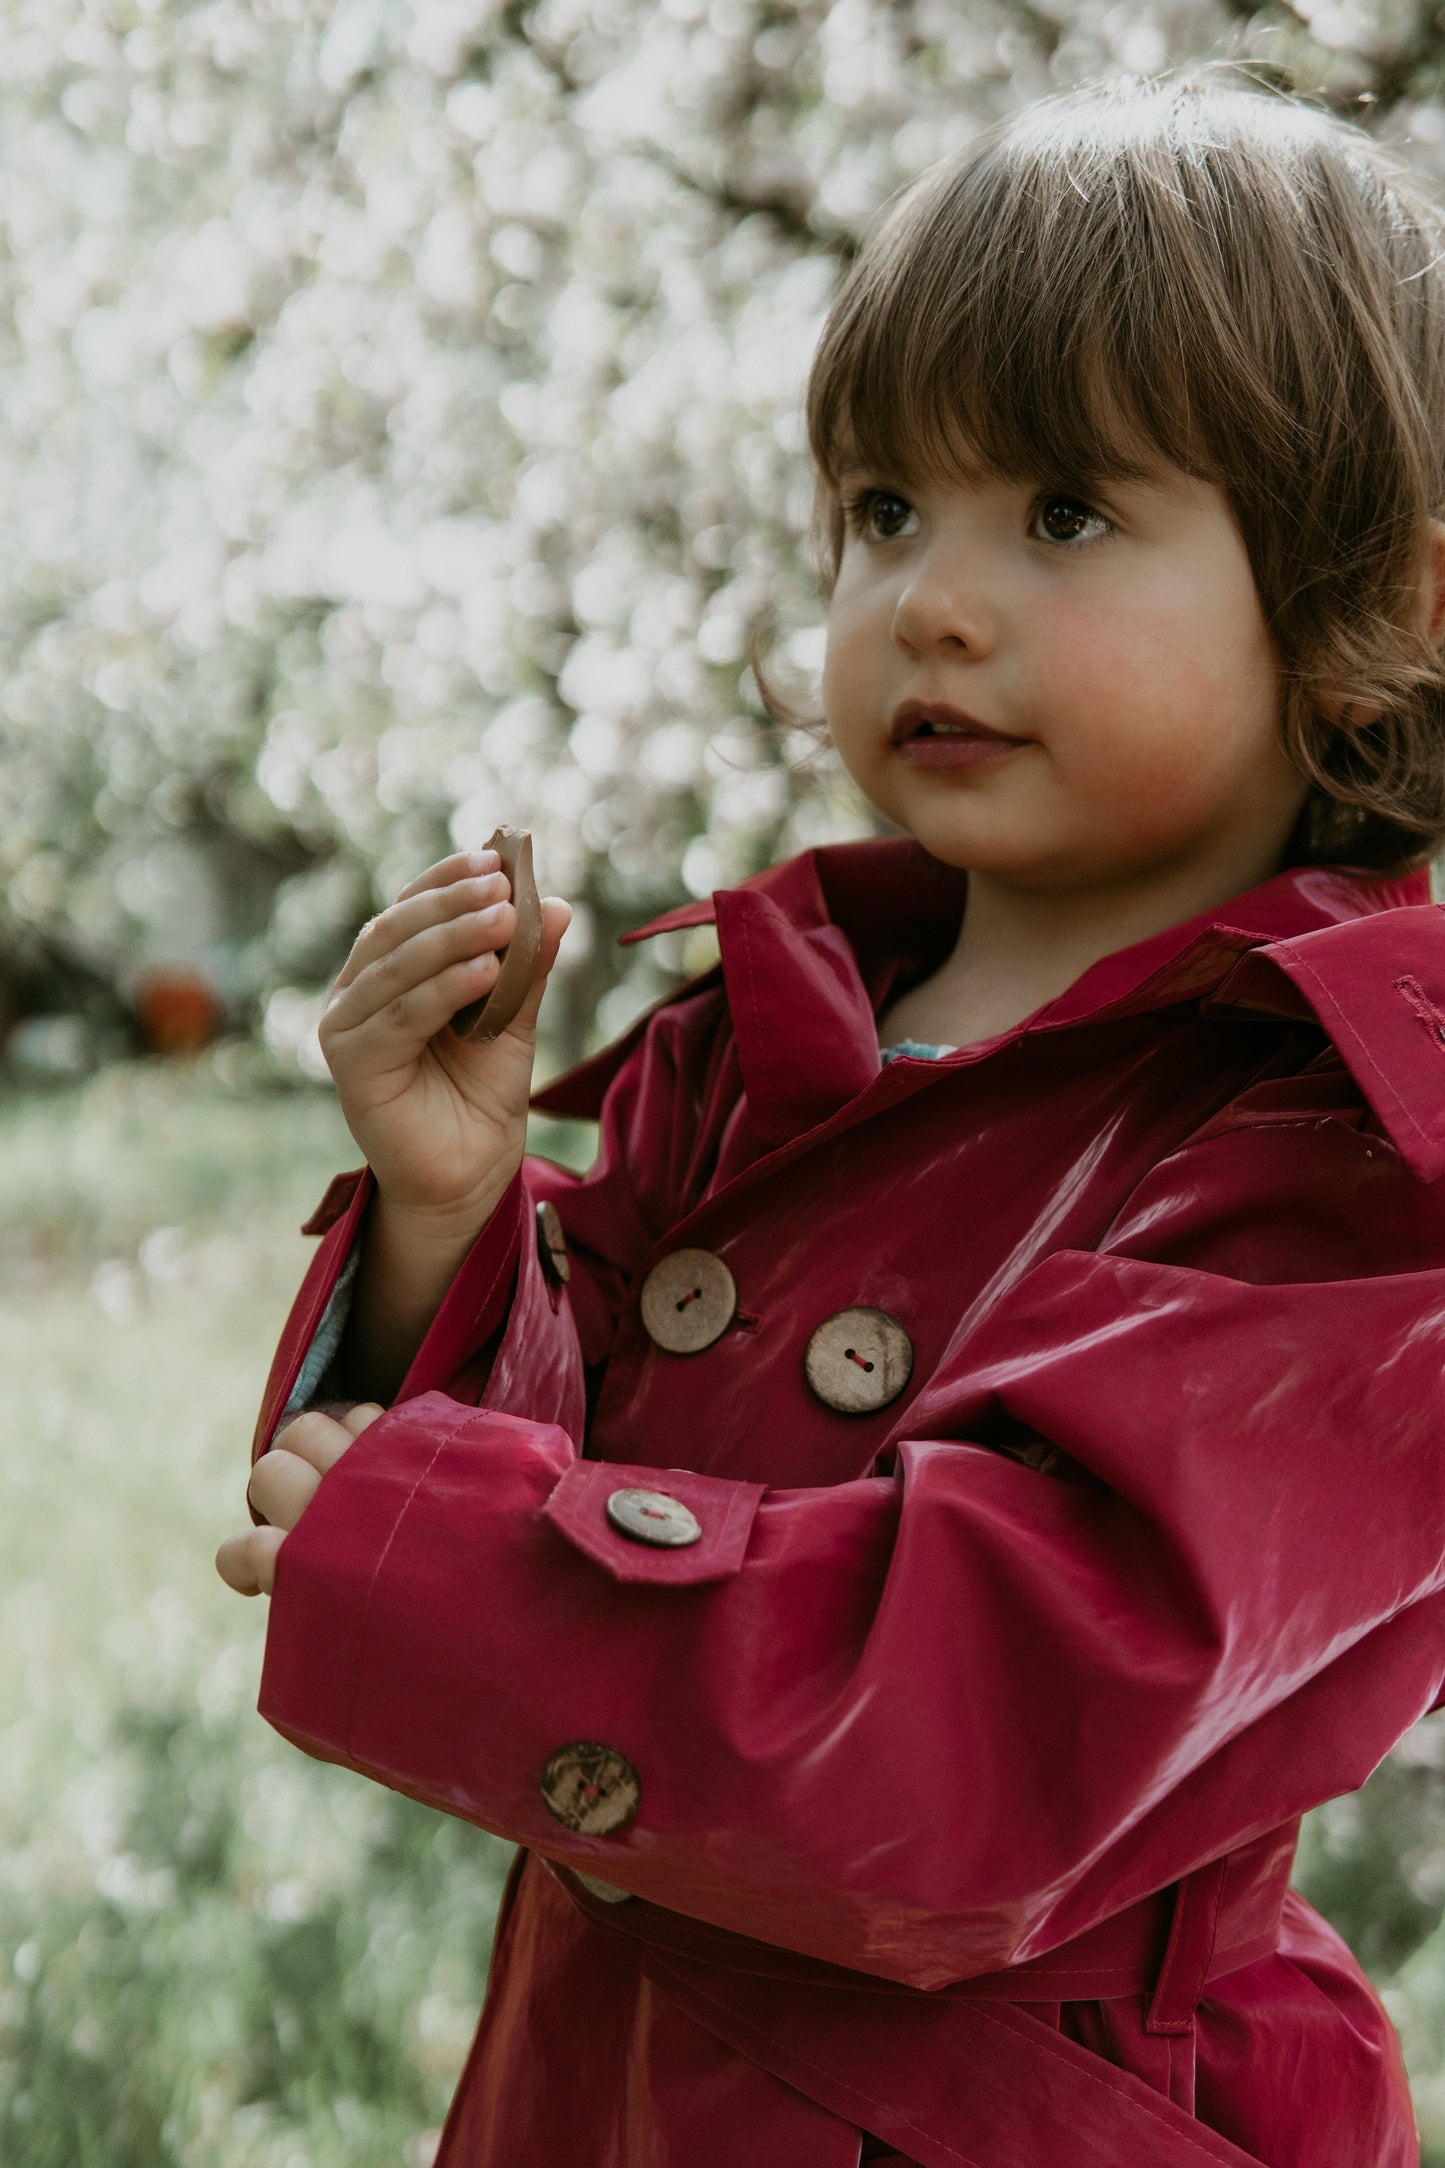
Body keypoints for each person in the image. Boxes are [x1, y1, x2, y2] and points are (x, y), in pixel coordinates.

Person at [217, 70, 1445, 2166]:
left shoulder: (1343, 1147)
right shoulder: (773, 1030)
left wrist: (452, 1555)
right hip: (604, 2085)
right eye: (884, 509)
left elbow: (991, 1718)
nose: (932, 600)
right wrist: (452, 1217)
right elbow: (563, 1432)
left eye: (1063, 511)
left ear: (1389, 614)